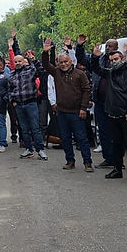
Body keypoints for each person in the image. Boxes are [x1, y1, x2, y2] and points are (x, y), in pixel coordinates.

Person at [90, 46, 127, 182]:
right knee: (116, 144)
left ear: (122, 59)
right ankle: (117, 169)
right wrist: (95, 57)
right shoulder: (110, 73)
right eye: (112, 60)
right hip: (113, 114)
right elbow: (96, 69)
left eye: (116, 59)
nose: (114, 62)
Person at [41, 38, 93, 172]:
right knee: (65, 138)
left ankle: (87, 162)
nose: (64, 64)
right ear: (58, 63)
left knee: (81, 138)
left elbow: (86, 90)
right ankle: (70, 161)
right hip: (62, 112)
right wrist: (45, 52)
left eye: (66, 61)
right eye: (61, 62)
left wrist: (83, 108)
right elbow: (46, 65)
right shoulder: (56, 72)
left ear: (71, 62)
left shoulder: (79, 74)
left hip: (77, 112)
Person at [76, 35, 117, 168]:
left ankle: (118, 159)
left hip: (115, 103)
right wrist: (80, 46)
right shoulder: (98, 60)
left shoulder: (118, 62)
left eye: (110, 46)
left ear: (116, 49)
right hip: (99, 101)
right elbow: (82, 59)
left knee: (115, 132)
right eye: (107, 46)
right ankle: (109, 158)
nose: (108, 48)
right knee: (103, 131)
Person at [7, 49, 48, 161]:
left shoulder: (30, 71)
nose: (18, 63)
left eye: (20, 61)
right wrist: (13, 101)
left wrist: (34, 60)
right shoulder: (11, 75)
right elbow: (9, 90)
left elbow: (41, 71)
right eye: (16, 62)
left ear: (23, 61)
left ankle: (40, 150)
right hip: (19, 105)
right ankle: (29, 149)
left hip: (31, 103)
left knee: (35, 128)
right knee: (24, 128)